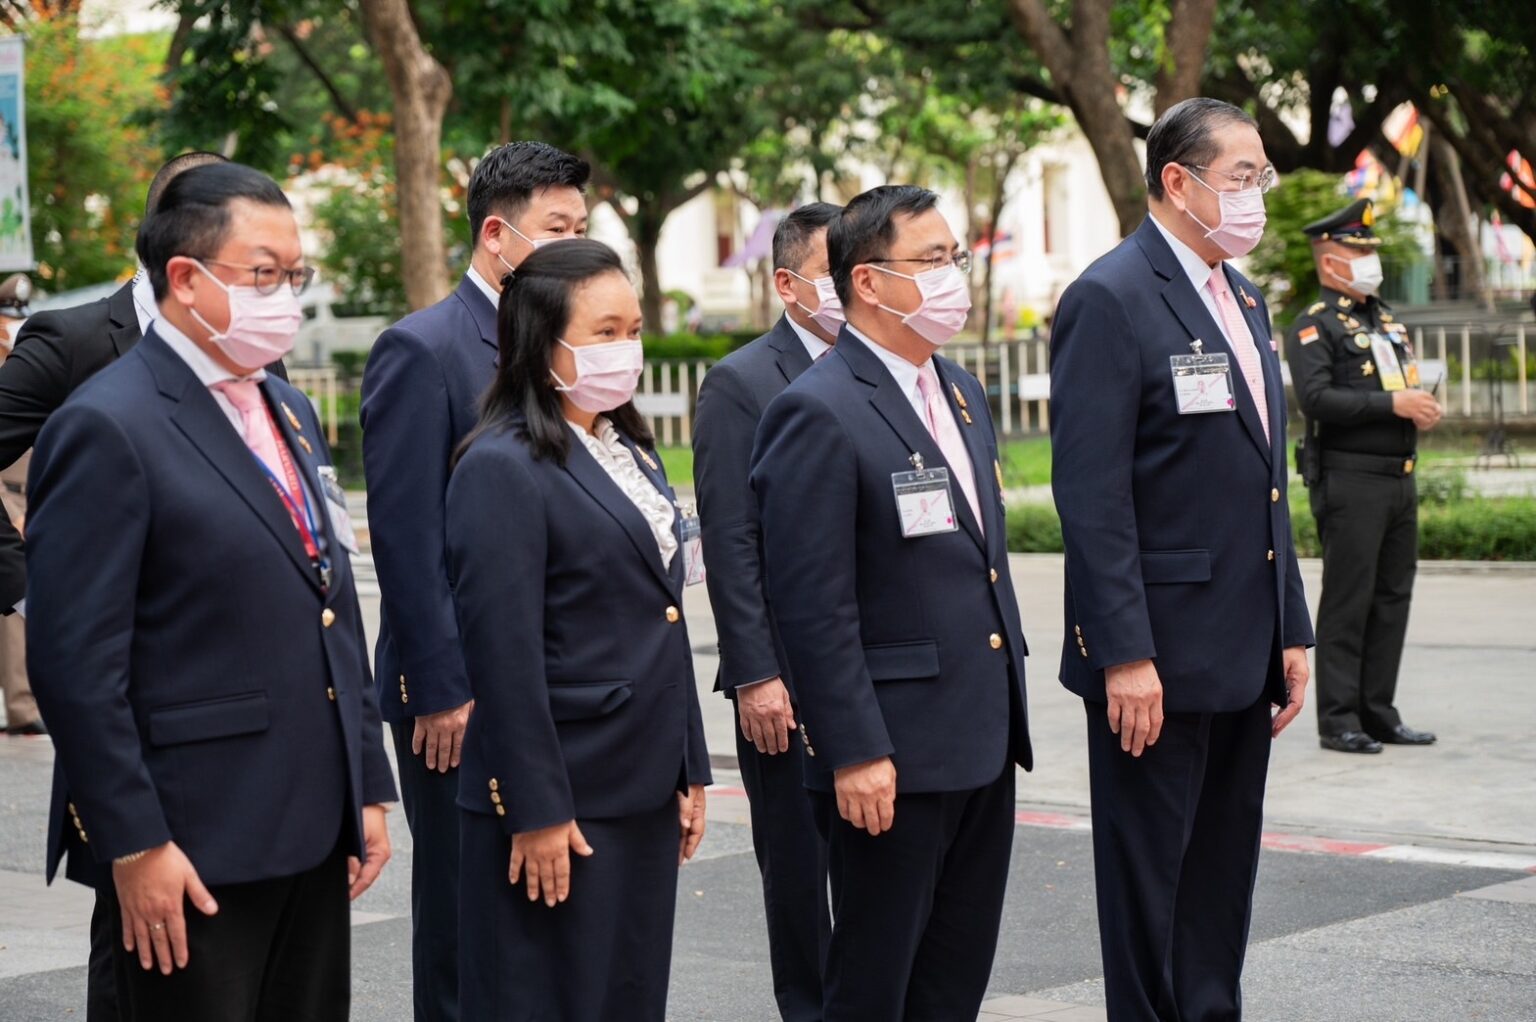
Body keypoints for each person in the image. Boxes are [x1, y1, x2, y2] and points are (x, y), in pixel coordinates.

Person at [25, 161, 395, 1020]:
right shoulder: (108, 423)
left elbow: (330, 600)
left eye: (294, 275)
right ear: (186, 280)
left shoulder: (287, 409)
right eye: (263, 274)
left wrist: (365, 786)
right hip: (193, 837)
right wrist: (135, 842)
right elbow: (76, 665)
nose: (287, 297)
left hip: (310, 826)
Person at [0, 149, 286, 1022]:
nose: (279, 293)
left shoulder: (257, 362)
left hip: (256, 738)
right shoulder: (76, 341)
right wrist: (27, 581)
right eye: (261, 269)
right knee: (138, 962)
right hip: (133, 719)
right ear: (178, 250)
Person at [1050, 98, 1314, 1021]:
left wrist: (1291, 625)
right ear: (1178, 181)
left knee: (1220, 873)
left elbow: (1265, 482)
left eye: (1260, 178)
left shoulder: (1243, 295)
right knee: (1151, 879)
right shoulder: (1110, 296)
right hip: (1155, 655)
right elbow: (1092, 496)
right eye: (1242, 178)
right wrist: (1124, 653)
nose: (1256, 196)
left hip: (1245, 645)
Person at [751, 185, 1033, 1021]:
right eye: (933, 259)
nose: (954, 275)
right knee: (876, 982)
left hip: (979, 733)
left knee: (953, 980)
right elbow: (812, 604)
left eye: (956, 257)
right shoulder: (817, 409)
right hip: (891, 753)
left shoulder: (958, 391)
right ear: (868, 283)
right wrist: (852, 750)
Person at [446, 239, 711, 1020]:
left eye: (632, 329)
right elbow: (502, 656)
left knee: (627, 994)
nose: (626, 348)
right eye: (604, 332)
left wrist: (688, 764)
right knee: (550, 998)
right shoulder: (502, 464)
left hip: (640, 781)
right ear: (540, 341)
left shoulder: (620, 445)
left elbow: (663, 615)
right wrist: (536, 808)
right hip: (564, 793)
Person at [359, 140, 589, 1022]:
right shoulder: (422, 349)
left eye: (581, 226)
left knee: (547, 913)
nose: (575, 244)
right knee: (465, 920)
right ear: (498, 234)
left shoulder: (561, 343)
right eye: (557, 228)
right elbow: (408, 536)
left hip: (555, 677)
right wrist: (439, 687)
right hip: (459, 700)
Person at [692, 201, 841, 1022]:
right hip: (786, 678)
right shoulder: (743, 383)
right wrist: (755, 673)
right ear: (788, 284)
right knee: (798, 871)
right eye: (835, 267)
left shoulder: (892, 366)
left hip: (880, 665)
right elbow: (730, 538)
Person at [1288, 199, 1441, 755]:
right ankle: (1339, 719)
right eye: (1359, 251)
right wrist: (1392, 405)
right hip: (1351, 480)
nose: (1368, 260)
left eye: (1370, 251)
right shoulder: (1314, 326)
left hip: (1398, 476)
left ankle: (1379, 712)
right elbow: (1316, 399)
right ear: (1332, 263)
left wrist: (1419, 400)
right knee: (1349, 600)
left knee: (1392, 596)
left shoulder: (1385, 319)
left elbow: (1399, 383)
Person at [0, 275, 41, 737]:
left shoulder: (33, 357)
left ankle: (29, 700)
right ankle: (21, 705)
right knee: (17, 593)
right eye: (8, 316)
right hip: (7, 496)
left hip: (35, 489)